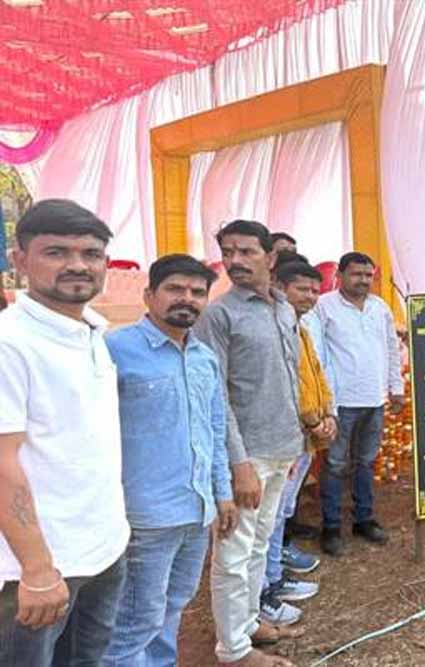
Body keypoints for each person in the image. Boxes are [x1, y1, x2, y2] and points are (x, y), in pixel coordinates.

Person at [0, 200, 130, 665]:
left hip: (103, 549)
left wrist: (115, 536)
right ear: (19, 260)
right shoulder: (10, 342)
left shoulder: (91, 330)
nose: (77, 265)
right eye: (56, 252)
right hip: (36, 569)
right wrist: (36, 569)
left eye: (90, 254)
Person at [102, 254, 238, 666]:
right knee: (134, 621)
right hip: (144, 516)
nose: (187, 299)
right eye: (175, 289)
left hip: (196, 511)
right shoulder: (114, 351)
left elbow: (213, 430)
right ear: (149, 295)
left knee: (175, 603)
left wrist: (222, 494)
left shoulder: (204, 357)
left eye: (197, 292)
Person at [193, 220, 305, 667]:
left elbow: (289, 378)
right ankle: (233, 650)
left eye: (246, 251)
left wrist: (296, 443)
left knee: (260, 544)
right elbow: (215, 394)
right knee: (233, 554)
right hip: (247, 456)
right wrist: (237, 464)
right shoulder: (218, 315)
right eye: (228, 252)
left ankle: (248, 622)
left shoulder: (283, 307)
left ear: (270, 257)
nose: (235, 261)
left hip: (282, 448)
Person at [258, 261, 337, 626]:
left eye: (315, 290)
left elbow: (315, 376)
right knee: (268, 518)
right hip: (285, 438)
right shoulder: (273, 329)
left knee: (281, 513)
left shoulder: (299, 327)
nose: (310, 296)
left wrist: (328, 413)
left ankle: (274, 577)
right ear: (278, 286)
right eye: (302, 289)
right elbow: (286, 387)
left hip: (304, 437)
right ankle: (263, 593)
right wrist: (313, 420)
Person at [313, 252, 404, 556]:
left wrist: (396, 388)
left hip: (374, 399)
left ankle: (363, 519)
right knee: (335, 464)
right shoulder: (323, 307)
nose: (363, 280)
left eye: (368, 275)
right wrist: (325, 400)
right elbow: (317, 355)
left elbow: (392, 349)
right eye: (356, 274)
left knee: (365, 462)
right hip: (340, 403)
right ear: (339, 275)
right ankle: (331, 527)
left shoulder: (380, 308)